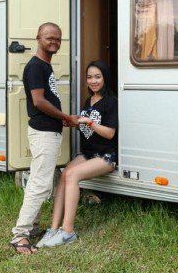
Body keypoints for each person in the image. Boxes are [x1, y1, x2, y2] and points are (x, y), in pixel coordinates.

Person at [9, 22, 79, 254]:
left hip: (48, 130)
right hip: (43, 132)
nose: (54, 42)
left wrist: (62, 119)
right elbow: (39, 101)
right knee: (40, 183)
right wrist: (65, 117)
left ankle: (32, 227)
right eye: (49, 37)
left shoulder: (45, 66)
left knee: (39, 180)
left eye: (58, 39)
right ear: (38, 38)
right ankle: (20, 235)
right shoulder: (35, 67)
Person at [36, 60, 118, 248]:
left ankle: (68, 232)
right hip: (89, 153)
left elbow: (109, 133)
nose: (93, 81)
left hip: (106, 156)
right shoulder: (89, 101)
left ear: (105, 78)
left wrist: (88, 122)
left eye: (97, 77)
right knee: (65, 173)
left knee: (73, 175)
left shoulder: (112, 102)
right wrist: (75, 123)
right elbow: (88, 129)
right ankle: (53, 229)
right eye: (89, 77)